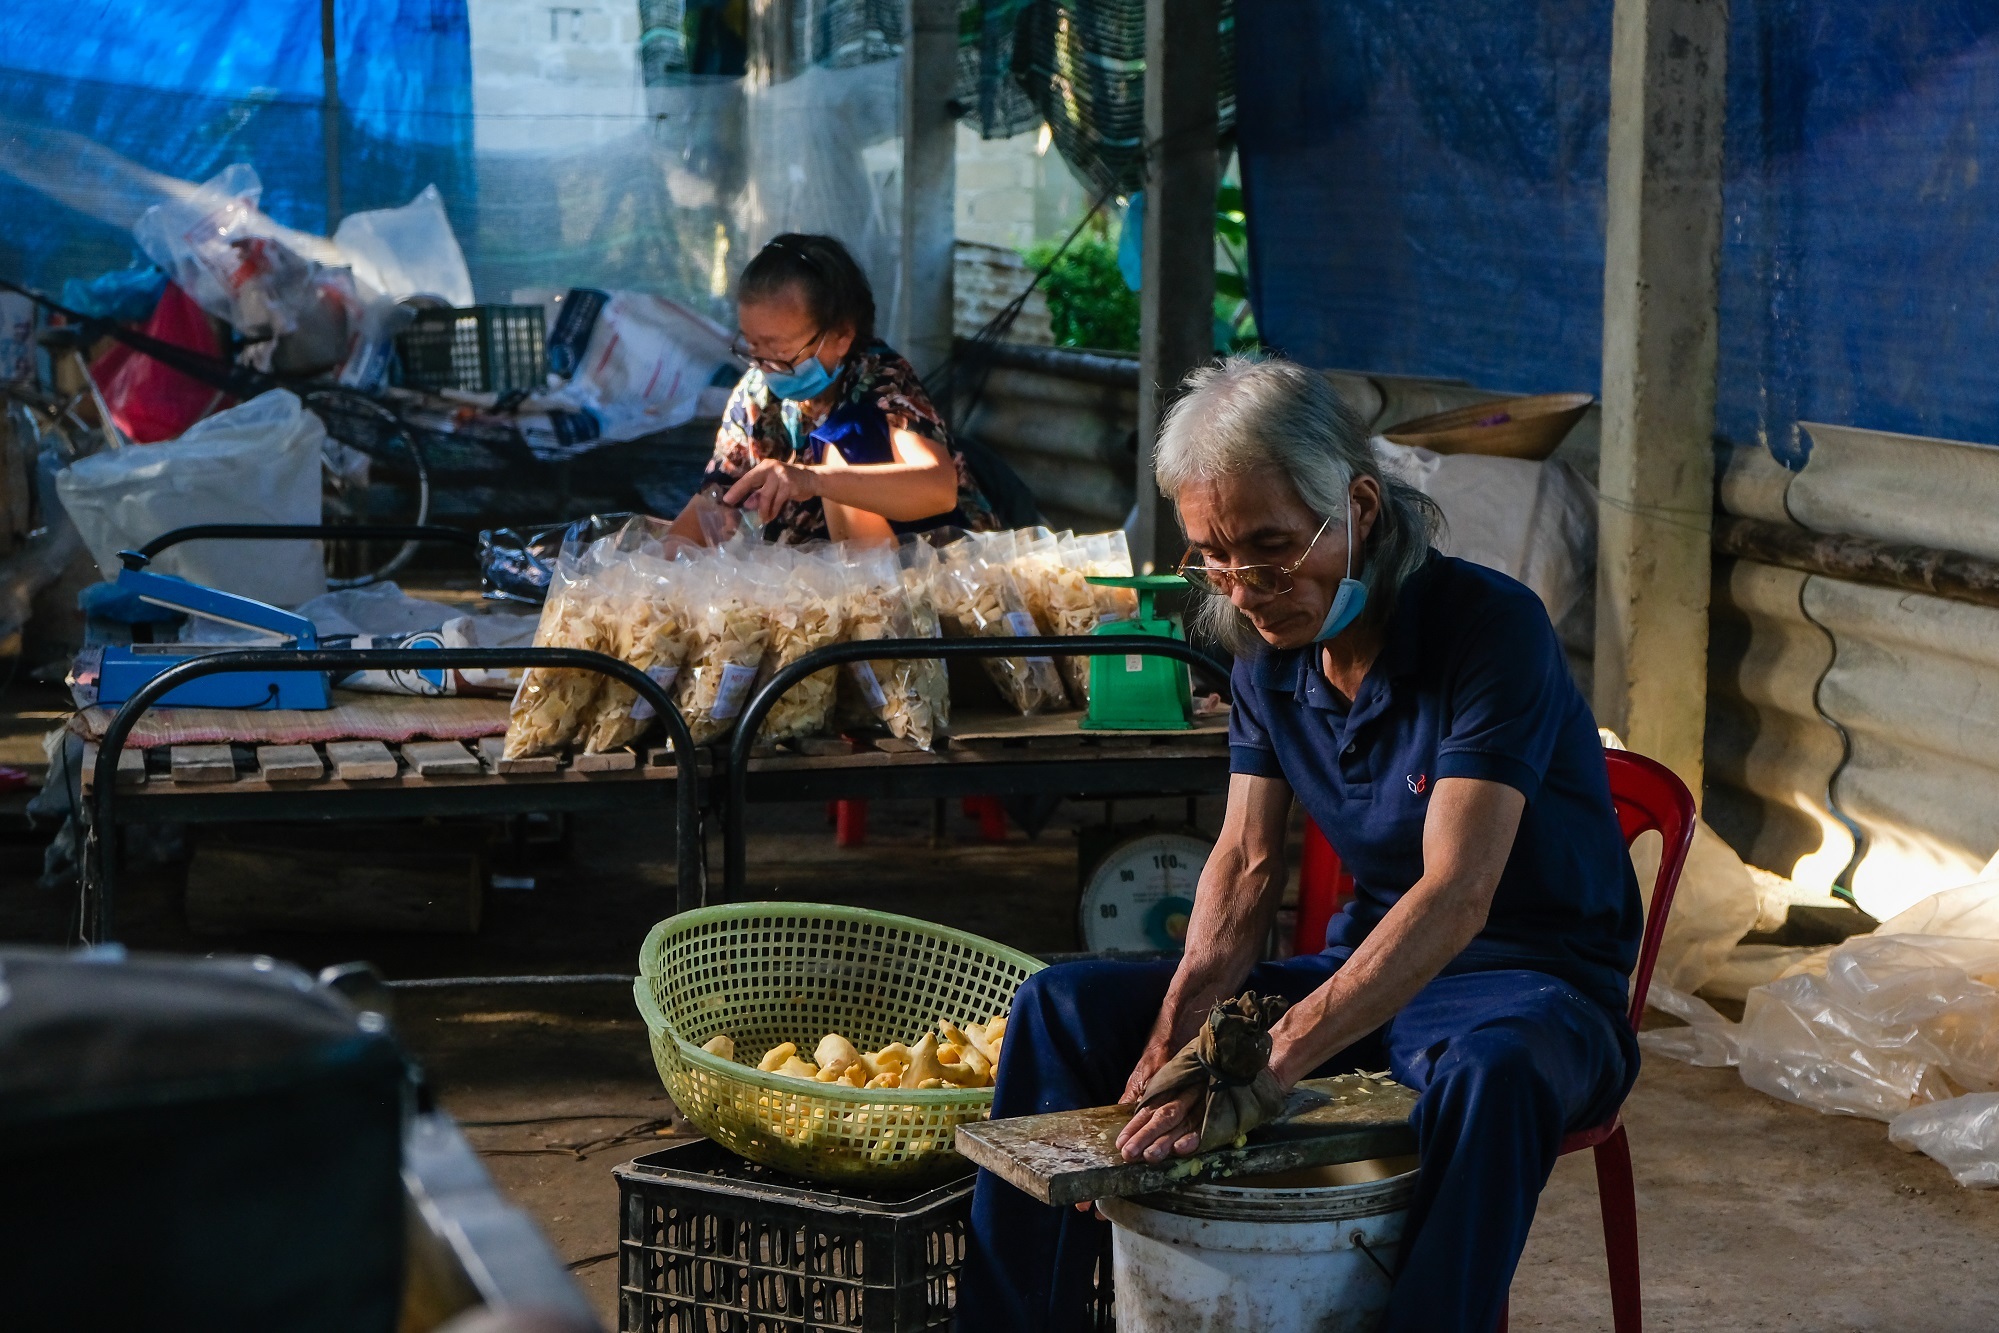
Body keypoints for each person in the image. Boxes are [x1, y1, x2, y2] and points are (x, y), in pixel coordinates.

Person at [959, 356, 1643, 1332]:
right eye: (1215, 557)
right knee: (1062, 1009)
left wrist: (1268, 1059)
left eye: (1272, 550)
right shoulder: (1267, 659)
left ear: (1358, 508)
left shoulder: (1488, 631)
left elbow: (1456, 895)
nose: (1245, 588)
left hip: (1534, 986)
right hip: (1369, 973)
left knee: (1492, 1073)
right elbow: (1241, 870)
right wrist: (1171, 1042)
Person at [676, 233, 999, 546]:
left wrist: (812, 479)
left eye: (779, 349)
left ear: (841, 335)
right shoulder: (756, 393)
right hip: (813, 581)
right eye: (752, 344)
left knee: (844, 441)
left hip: (925, 572)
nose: (763, 363)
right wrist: (657, 566)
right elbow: (712, 499)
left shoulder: (881, 382)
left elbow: (938, 489)